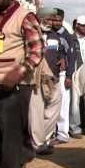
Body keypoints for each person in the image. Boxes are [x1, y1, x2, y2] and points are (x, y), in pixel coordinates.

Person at [0, 0, 44, 168]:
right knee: (0, 134)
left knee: (10, 137)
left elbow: (37, 51)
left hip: (13, 87)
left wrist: (19, 71)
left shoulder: (25, 16)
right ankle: (21, 156)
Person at [28, 8, 64, 153]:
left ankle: (45, 139)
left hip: (51, 77)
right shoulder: (30, 31)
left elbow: (61, 51)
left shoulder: (53, 35)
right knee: (36, 110)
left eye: (52, 20)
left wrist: (62, 58)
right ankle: (37, 144)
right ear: (40, 19)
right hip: (34, 77)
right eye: (48, 19)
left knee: (56, 101)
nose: (50, 22)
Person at [51, 8, 76, 146]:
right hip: (51, 75)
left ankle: (62, 134)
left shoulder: (66, 36)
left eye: (59, 20)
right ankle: (52, 133)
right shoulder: (50, 34)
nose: (56, 22)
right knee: (52, 105)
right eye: (54, 19)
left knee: (63, 105)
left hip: (62, 75)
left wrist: (69, 76)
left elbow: (72, 58)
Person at [69, 15, 85, 138]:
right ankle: (75, 128)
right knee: (75, 102)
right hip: (75, 73)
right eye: (83, 25)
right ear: (77, 25)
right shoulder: (71, 39)